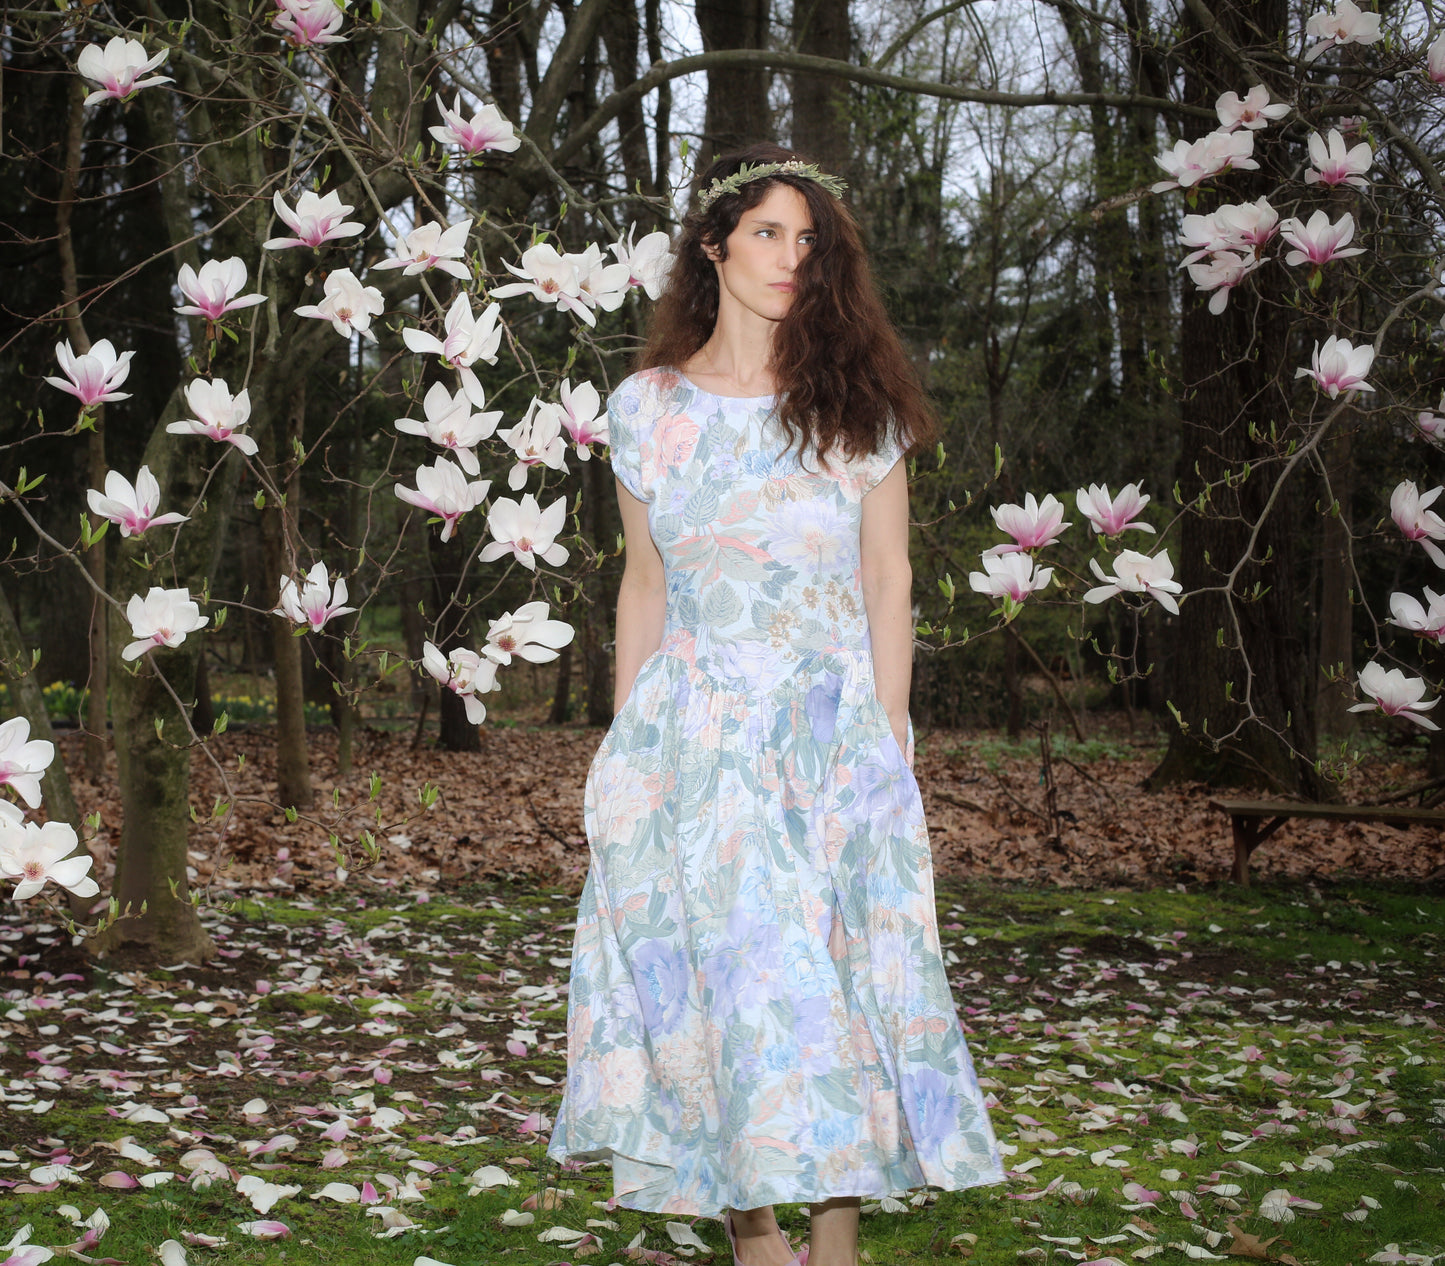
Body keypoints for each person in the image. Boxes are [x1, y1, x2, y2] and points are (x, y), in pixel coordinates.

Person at [547, 143, 1004, 1266]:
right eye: (765, 233)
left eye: (808, 240)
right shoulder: (647, 408)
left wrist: (886, 744)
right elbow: (644, 583)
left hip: (830, 737)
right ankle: (752, 1237)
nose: (790, 257)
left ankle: (834, 1246)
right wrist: (625, 752)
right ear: (711, 245)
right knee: (721, 984)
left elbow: (887, 578)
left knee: (838, 988)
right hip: (692, 740)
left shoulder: (857, 407)